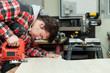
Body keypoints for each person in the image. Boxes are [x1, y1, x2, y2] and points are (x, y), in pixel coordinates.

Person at [0, 0, 59, 72]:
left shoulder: (29, 30)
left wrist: (46, 54)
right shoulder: (19, 9)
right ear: (41, 24)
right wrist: (8, 35)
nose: (37, 38)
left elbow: (27, 48)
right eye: (40, 35)